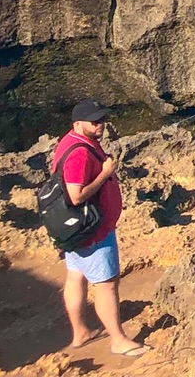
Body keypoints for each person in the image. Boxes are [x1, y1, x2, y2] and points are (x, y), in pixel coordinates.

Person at [56, 99, 148, 357]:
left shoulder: (70, 142)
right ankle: (118, 341)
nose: (101, 125)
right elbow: (76, 195)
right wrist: (105, 172)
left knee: (76, 276)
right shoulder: (80, 153)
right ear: (77, 124)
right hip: (92, 231)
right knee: (106, 284)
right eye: (94, 121)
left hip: (73, 229)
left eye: (102, 119)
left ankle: (80, 332)